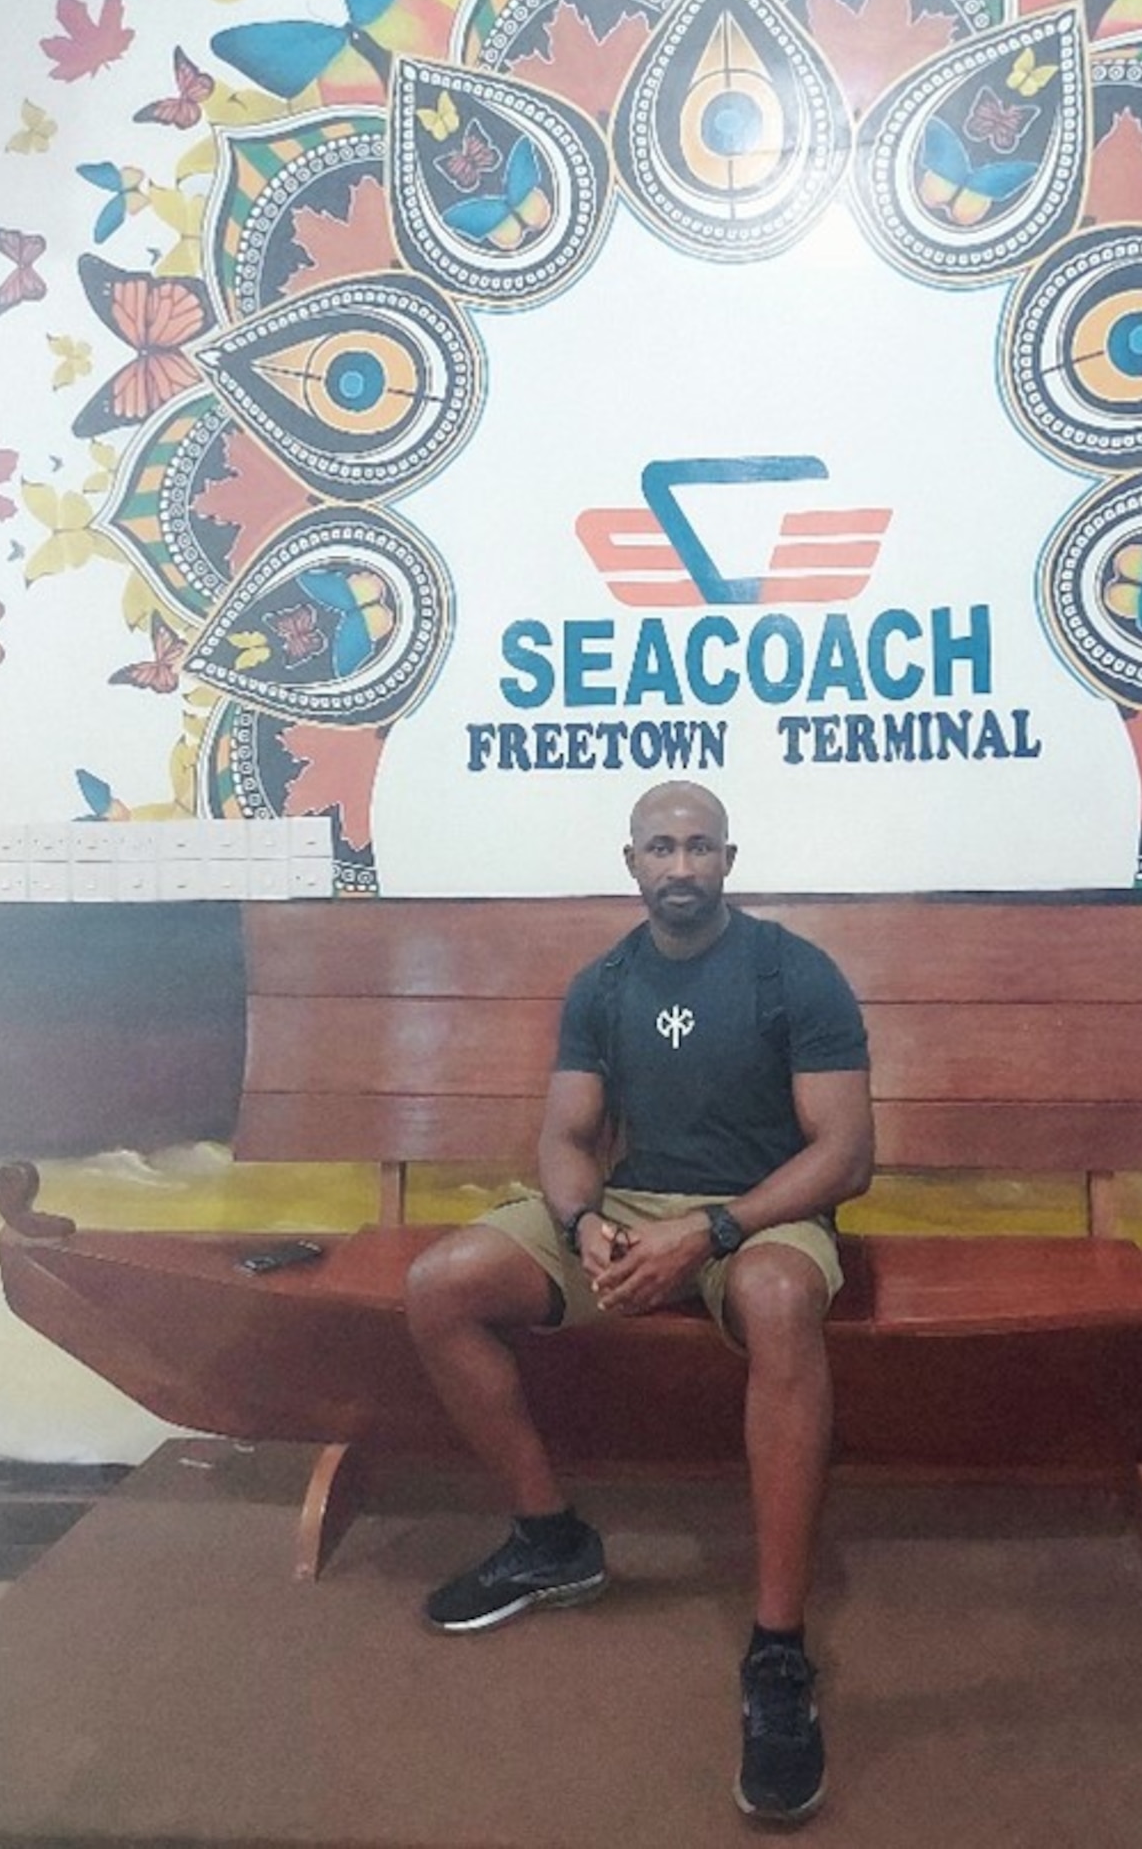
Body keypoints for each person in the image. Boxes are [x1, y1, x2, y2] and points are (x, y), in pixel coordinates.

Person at [405, 780, 873, 1824]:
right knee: (440, 1285)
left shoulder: (790, 971)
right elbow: (567, 1139)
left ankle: (778, 1652)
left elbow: (845, 1155)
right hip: (628, 1207)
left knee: (782, 1301)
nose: (678, 864)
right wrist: (582, 1225)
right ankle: (549, 1536)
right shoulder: (601, 984)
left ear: (727, 858)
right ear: (631, 862)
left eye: (697, 846)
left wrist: (707, 1231)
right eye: (659, 847)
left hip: (755, 1218)